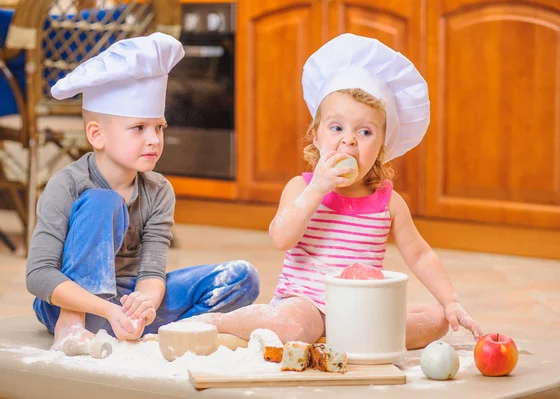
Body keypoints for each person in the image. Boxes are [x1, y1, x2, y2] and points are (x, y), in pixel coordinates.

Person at [185, 34, 482, 349]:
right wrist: (317, 190)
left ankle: (345, 336)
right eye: (337, 127)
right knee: (292, 325)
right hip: (304, 304)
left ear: (382, 147)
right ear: (316, 136)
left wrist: (450, 302)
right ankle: (218, 321)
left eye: (364, 131)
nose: (349, 140)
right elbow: (281, 238)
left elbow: (420, 254)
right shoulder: (301, 187)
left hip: (361, 309)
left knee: (435, 319)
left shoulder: (389, 203)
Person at [25, 32, 260, 350]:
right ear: (97, 134)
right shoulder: (68, 184)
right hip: (70, 306)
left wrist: (145, 302)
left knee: (242, 277)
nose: (154, 139)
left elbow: (152, 270)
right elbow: (38, 275)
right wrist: (105, 308)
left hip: (124, 302)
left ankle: (149, 330)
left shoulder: (159, 190)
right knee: (103, 202)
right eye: (139, 128)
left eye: (159, 127)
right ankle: (75, 327)